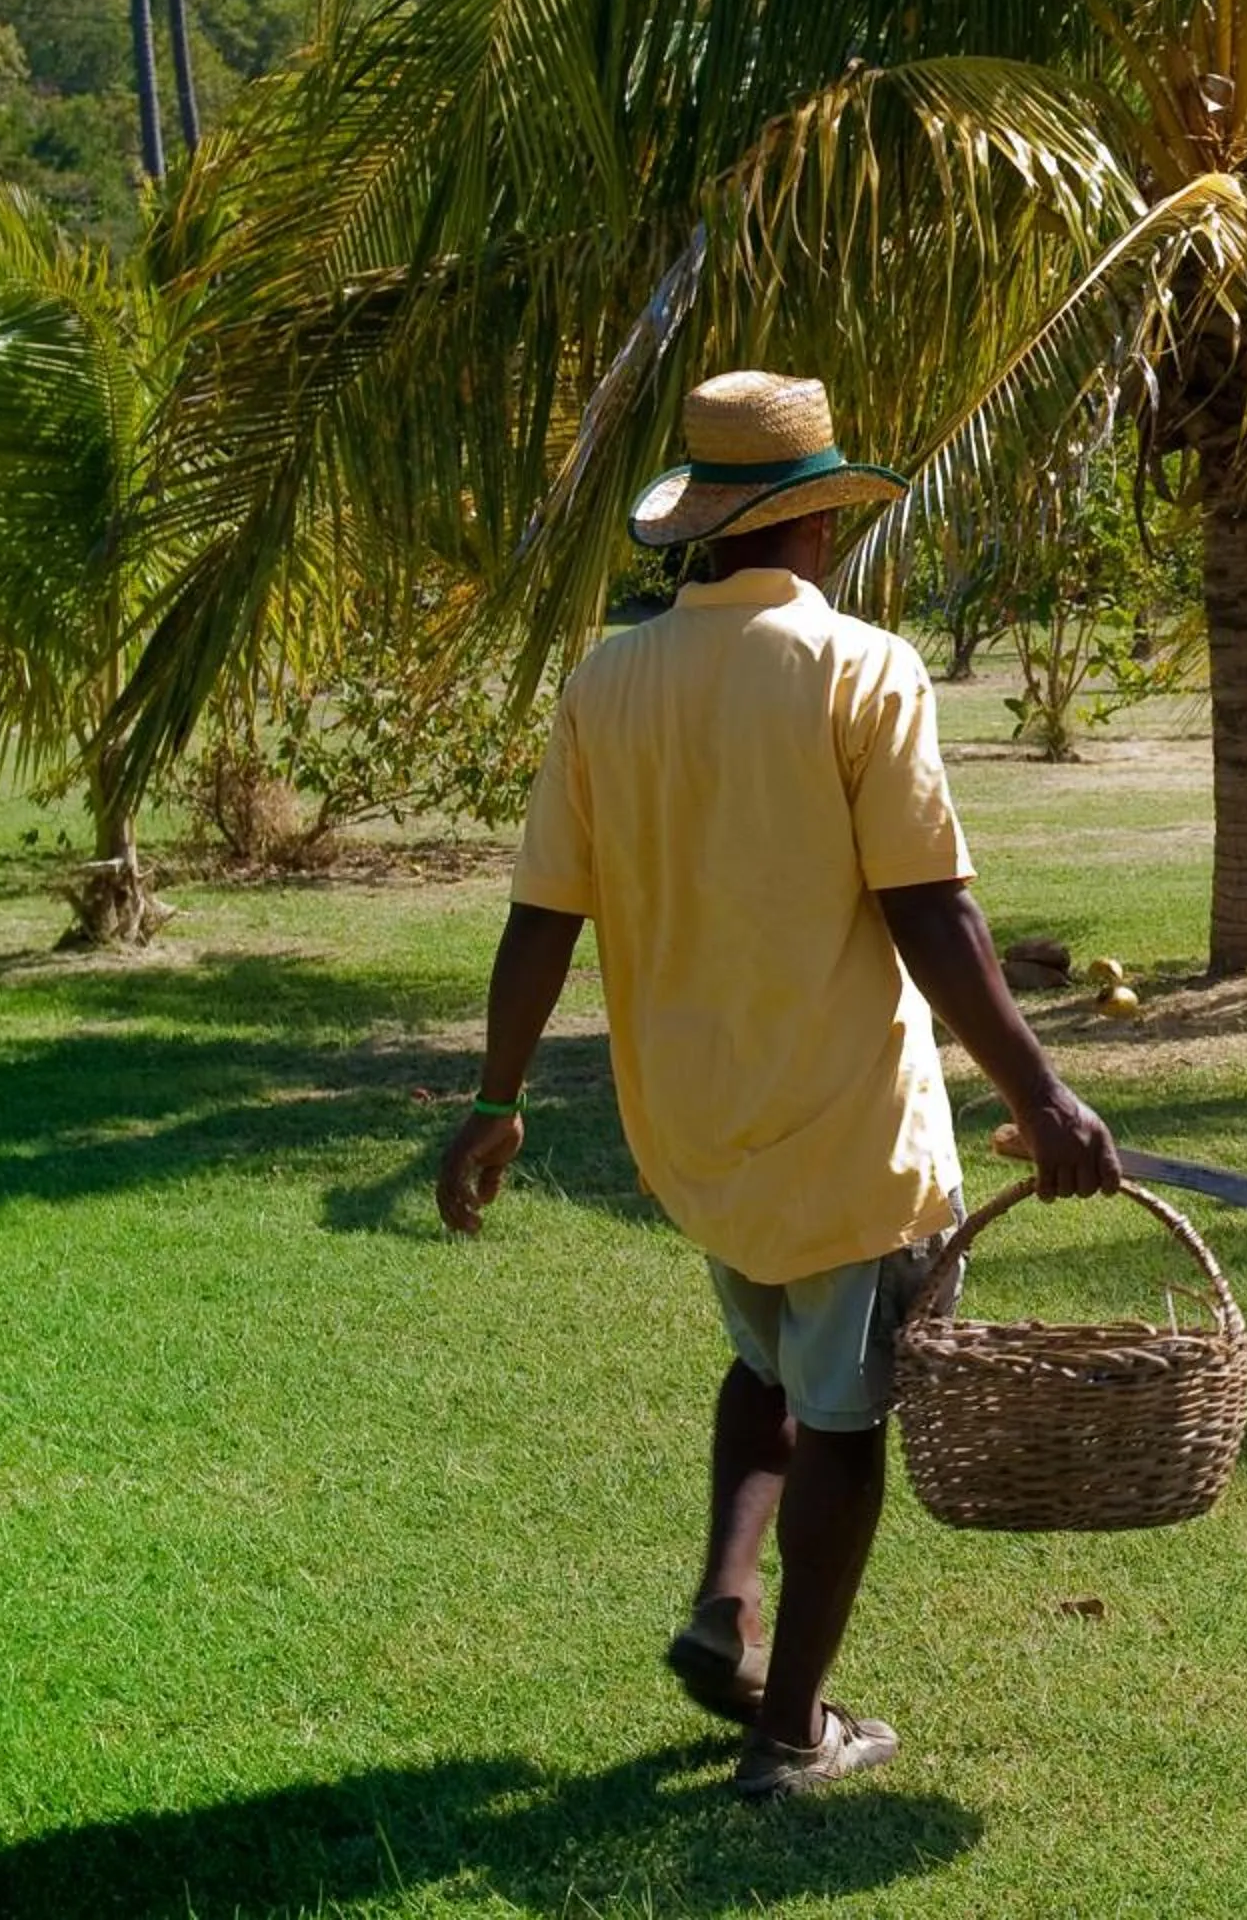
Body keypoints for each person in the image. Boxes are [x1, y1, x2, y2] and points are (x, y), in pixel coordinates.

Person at [434, 370, 1121, 1801]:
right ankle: (792, 1728)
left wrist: (497, 1102)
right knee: (846, 1421)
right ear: (812, 521)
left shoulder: (608, 681)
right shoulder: (861, 668)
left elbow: (540, 918)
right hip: (847, 1127)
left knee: (767, 1371)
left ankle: (724, 1605)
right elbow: (933, 913)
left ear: (704, 524)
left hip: (697, 1129)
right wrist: (1044, 1099)